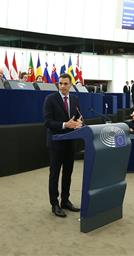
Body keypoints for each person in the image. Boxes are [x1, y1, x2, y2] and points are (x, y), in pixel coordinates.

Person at [43, 73, 83, 218]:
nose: (63, 86)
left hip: (70, 142)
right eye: (60, 83)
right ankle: (55, 204)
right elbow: (47, 122)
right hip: (56, 143)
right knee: (54, 174)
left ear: (71, 85)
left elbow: (78, 117)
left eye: (66, 84)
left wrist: (79, 123)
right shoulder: (50, 99)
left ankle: (65, 201)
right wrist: (65, 124)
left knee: (68, 174)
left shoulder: (75, 99)